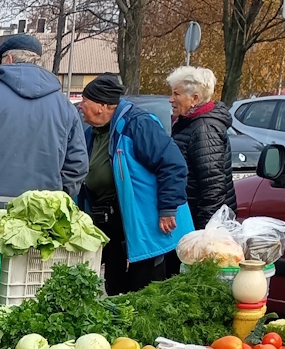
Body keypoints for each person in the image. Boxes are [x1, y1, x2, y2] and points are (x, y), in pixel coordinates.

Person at [78, 73, 192, 294]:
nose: (80, 106)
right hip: (114, 222)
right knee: (115, 287)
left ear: (102, 105)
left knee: (145, 289)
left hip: (148, 222)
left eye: (85, 101)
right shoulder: (93, 133)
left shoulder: (137, 125)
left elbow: (172, 164)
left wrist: (168, 208)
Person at [0, 34, 87, 202]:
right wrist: (56, 197)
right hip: (43, 210)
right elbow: (77, 165)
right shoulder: (65, 106)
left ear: (9, 59)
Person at [167, 66, 236, 230]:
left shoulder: (204, 129)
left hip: (203, 224)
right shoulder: (189, 123)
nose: (171, 99)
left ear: (195, 98)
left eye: (176, 94)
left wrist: (204, 232)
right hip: (193, 217)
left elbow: (213, 186)